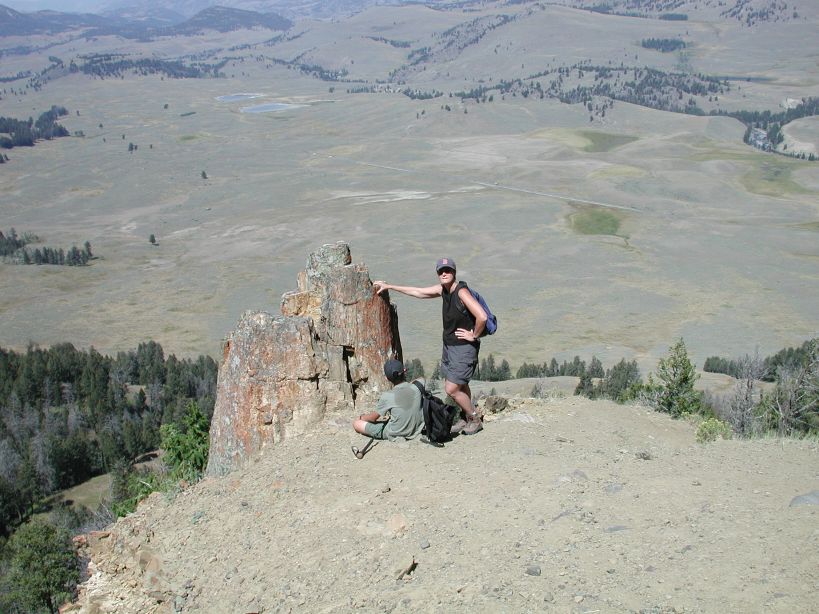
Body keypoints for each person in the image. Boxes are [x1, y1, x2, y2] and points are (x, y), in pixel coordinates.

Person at [374, 257, 486, 435]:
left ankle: (474, 418)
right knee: (461, 385)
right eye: (441, 271)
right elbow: (418, 292)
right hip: (450, 347)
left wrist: (474, 335)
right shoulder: (444, 290)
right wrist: (390, 286)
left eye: (448, 270)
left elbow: (482, 316)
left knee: (452, 388)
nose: (444, 273)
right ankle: (466, 417)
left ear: (454, 272)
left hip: (463, 348)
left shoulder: (461, 292)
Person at [352, 359, 424, 442]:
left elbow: (373, 419)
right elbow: (421, 379)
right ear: (404, 371)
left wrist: (362, 417)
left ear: (387, 378)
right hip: (417, 429)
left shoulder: (387, 396)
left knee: (356, 424)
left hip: (394, 432)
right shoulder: (417, 387)